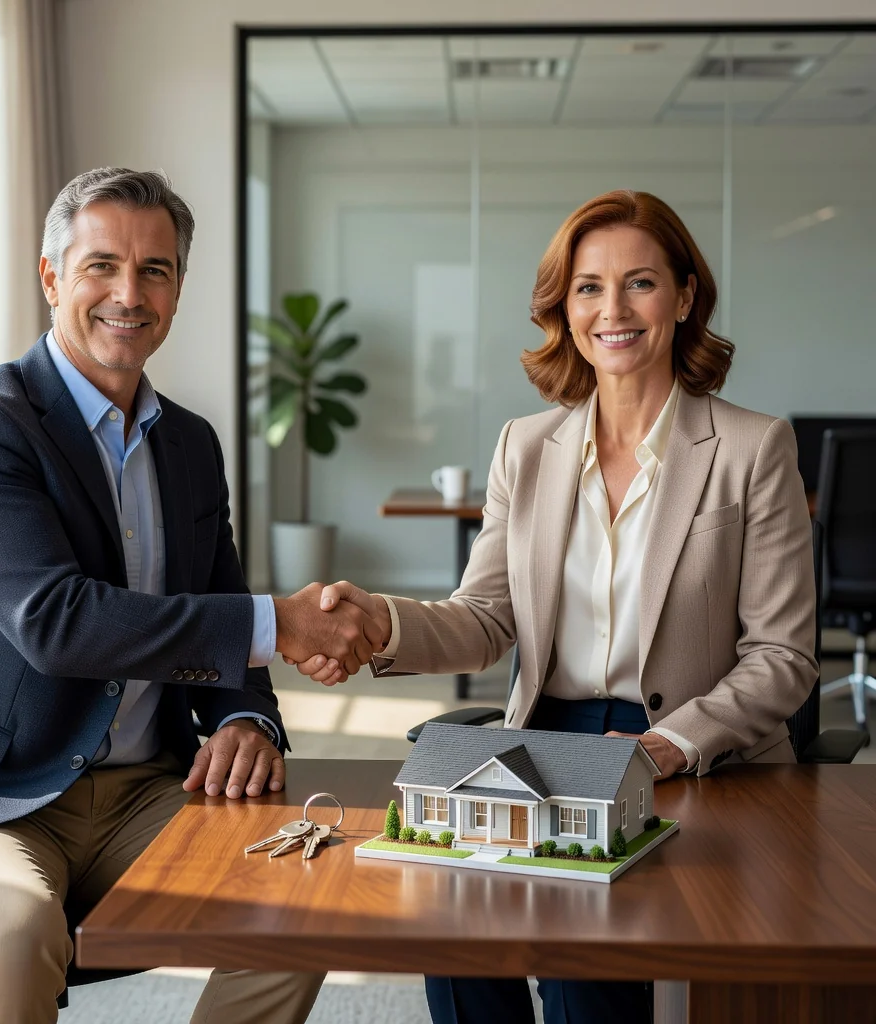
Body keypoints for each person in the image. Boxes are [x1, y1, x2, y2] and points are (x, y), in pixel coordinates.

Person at [292, 189, 817, 1024]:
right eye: (587, 287)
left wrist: (667, 747)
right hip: (546, 737)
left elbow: (783, 658)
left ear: (684, 298)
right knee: (456, 930)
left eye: (640, 283)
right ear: (563, 308)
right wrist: (377, 622)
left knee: (583, 966)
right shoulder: (525, 447)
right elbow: (485, 618)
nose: (613, 309)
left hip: (691, 748)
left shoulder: (752, 449)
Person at [0, 167, 381, 1024]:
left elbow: (217, 602)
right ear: (51, 278)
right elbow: (57, 624)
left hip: (151, 790)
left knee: (306, 885)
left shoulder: (189, 442)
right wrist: (281, 622)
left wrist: (243, 720)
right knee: (11, 928)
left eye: (156, 270)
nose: (128, 292)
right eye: (101, 265)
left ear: (178, 290)